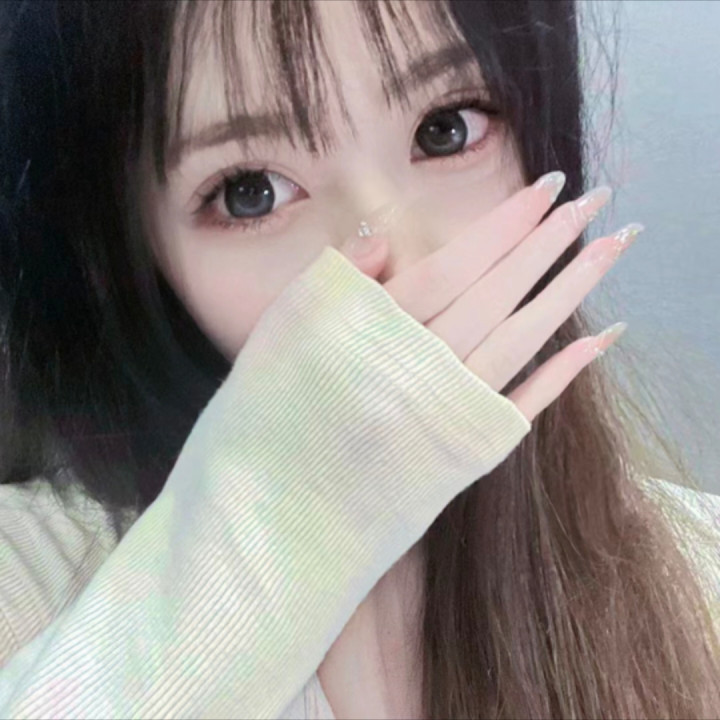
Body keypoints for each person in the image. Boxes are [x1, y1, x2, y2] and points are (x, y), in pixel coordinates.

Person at [0, 0, 717, 718]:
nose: (401, 259)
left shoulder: (699, 570)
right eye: (251, 194)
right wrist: (267, 538)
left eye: (447, 129)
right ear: (134, 257)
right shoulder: (31, 576)